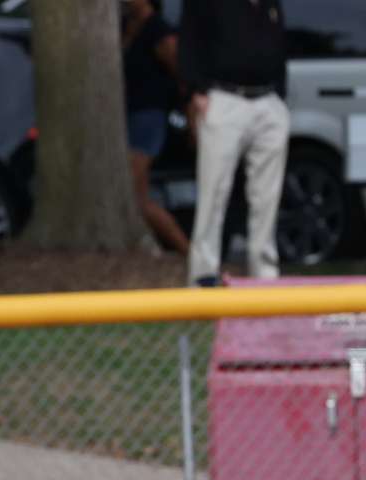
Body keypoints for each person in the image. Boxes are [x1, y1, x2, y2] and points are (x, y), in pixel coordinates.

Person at [177, 0, 290, 286]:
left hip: (268, 99)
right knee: (213, 190)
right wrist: (196, 90)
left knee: (267, 195)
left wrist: (280, 96)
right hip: (224, 97)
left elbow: (279, 43)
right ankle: (203, 275)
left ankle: (264, 274)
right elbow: (189, 40)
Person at [122, 0, 191, 255]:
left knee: (135, 196)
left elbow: (180, 71)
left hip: (148, 118)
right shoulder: (125, 26)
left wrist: (189, 111)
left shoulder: (158, 29)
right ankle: (150, 247)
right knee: (135, 195)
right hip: (128, 118)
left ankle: (188, 251)